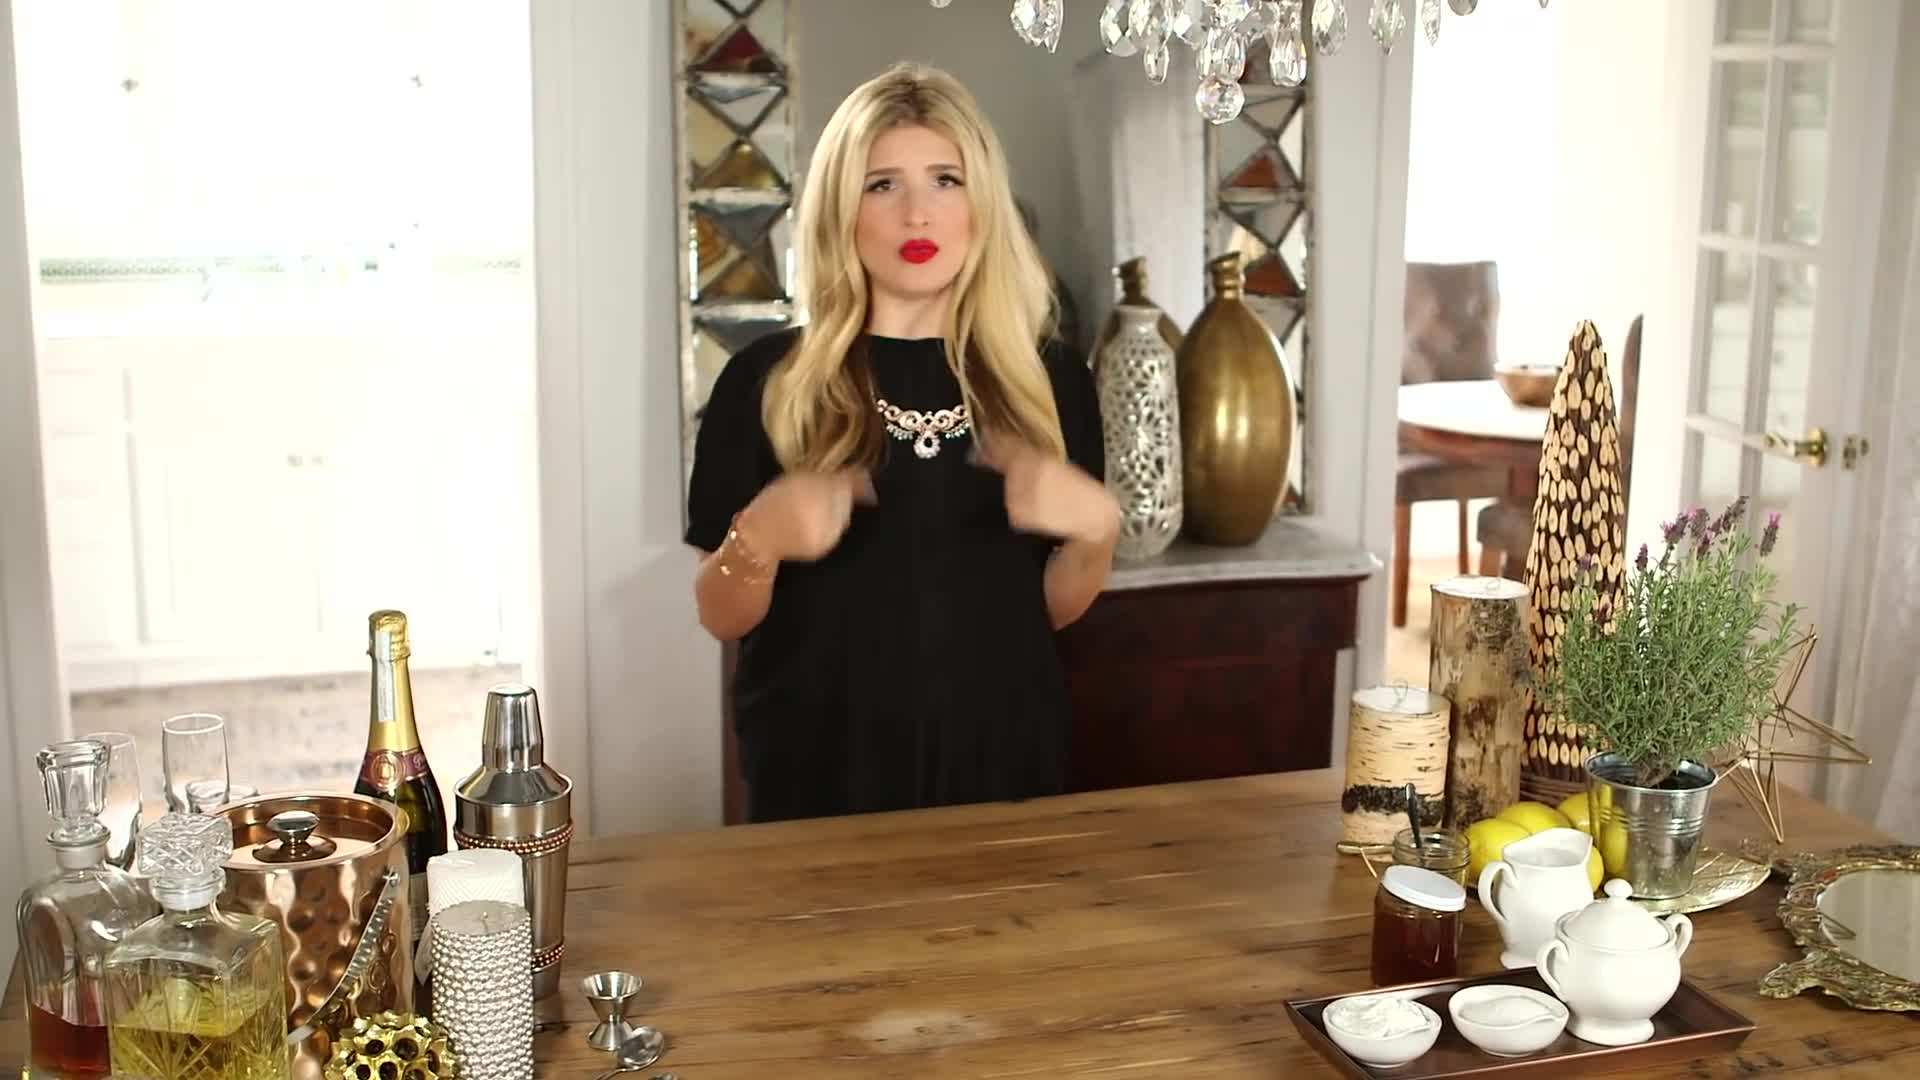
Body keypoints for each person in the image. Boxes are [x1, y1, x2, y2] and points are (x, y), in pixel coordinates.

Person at [684, 63, 1120, 824]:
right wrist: (759, 537)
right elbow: (722, 616)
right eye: (882, 184)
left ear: (981, 203)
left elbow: (1046, 609)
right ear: (840, 210)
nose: (918, 213)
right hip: (817, 773)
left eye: (946, 180)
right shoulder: (767, 382)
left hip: (1006, 767)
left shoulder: (1048, 379)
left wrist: (1094, 536)